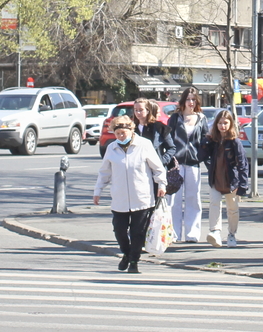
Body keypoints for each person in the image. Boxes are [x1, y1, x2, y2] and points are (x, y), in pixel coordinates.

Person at [93, 116, 166, 274]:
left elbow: (157, 168)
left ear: (131, 130)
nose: (120, 136)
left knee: (137, 232)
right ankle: (126, 254)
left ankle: (134, 261)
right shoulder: (112, 148)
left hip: (141, 197)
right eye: (117, 133)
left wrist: (161, 184)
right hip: (120, 198)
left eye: (123, 133)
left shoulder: (144, 145)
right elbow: (104, 172)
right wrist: (98, 190)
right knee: (119, 230)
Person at [199, 109, 250, 246]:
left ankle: (232, 234)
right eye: (220, 123)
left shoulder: (235, 142)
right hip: (215, 180)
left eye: (225, 123)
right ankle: (215, 231)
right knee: (214, 204)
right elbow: (201, 155)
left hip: (231, 181)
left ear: (231, 124)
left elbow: (242, 164)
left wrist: (243, 185)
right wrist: (206, 140)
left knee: (232, 209)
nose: (222, 126)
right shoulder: (213, 141)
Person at [166, 86, 208, 243]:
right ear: (183, 101)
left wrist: (201, 157)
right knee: (174, 200)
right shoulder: (175, 118)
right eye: (188, 99)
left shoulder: (201, 118)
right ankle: (174, 233)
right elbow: (168, 139)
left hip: (193, 163)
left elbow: (205, 141)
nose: (191, 102)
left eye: (193, 99)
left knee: (193, 198)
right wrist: (170, 158)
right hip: (176, 164)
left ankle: (192, 234)